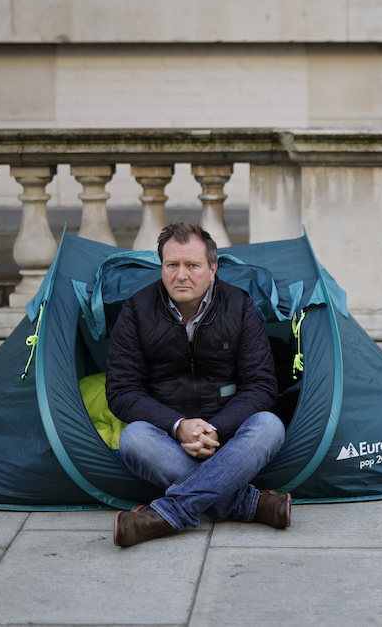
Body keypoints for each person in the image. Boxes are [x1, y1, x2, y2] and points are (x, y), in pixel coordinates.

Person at [106, 221, 288, 547]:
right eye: (172, 265)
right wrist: (178, 427)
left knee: (270, 426)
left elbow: (261, 385)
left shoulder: (240, 307)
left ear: (212, 268)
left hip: (229, 439)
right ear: (161, 266)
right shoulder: (136, 310)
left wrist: (215, 429)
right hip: (166, 439)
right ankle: (247, 503)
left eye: (192, 265)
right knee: (133, 437)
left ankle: (164, 515)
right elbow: (121, 391)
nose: (181, 275)